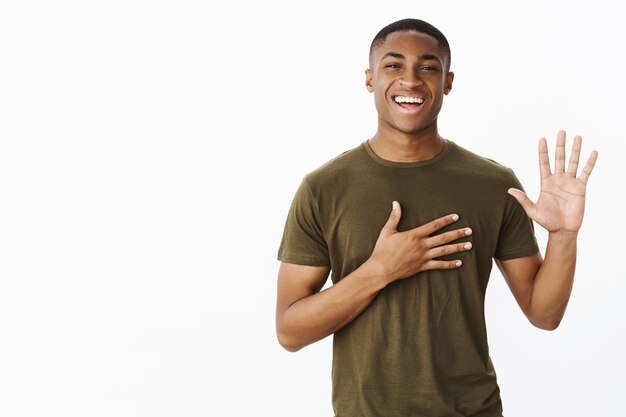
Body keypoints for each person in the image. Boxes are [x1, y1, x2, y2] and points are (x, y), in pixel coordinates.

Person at [275, 18, 598, 417]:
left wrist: (564, 235)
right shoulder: (324, 188)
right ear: (369, 79)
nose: (410, 80)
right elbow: (290, 331)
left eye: (428, 67)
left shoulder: (493, 184)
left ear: (448, 81)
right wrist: (380, 270)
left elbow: (544, 314)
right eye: (393, 65)